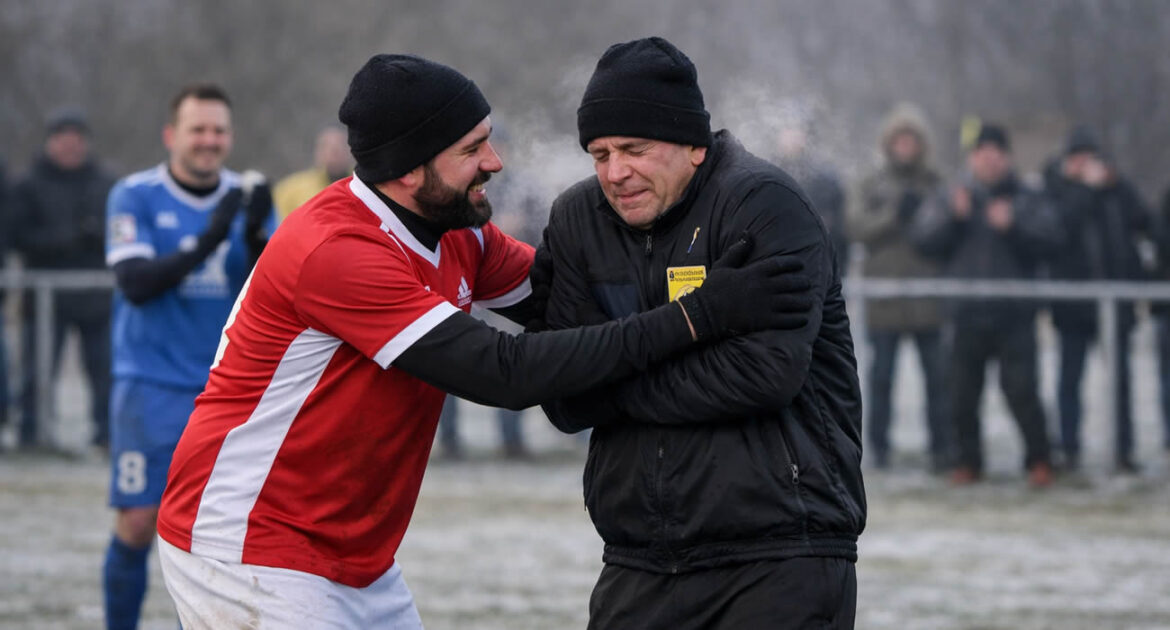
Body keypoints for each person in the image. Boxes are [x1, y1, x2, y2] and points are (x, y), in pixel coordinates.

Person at [153, 54, 812, 628]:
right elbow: (506, 373)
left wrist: (703, 287)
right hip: (249, 544)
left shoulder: (459, 232)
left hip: (353, 555)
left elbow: (569, 314)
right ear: (410, 171)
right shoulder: (336, 250)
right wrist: (698, 316)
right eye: (472, 149)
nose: (493, 162)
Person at [534, 37, 863, 629]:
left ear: (692, 144)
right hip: (637, 558)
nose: (616, 172)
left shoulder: (764, 204)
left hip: (781, 552)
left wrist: (607, 375)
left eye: (634, 149)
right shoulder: (576, 220)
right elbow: (562, 396)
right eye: (600, 153)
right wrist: (612, 369)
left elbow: (764, 375)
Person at [101, 83, 274, 630]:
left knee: (214, 533)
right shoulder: (134, 195)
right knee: (137, 520)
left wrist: (255, 237)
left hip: (224, 391)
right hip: (149, 384)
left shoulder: (245, 197)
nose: (209, 141)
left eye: (218, 130)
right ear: (171, 135)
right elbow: (135, 282)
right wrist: (210, 237)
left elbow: (269, 289)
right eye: (197, 129)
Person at [913, 123, 1060, 487]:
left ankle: (1039, 461)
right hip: (964, 313)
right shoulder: (952, 195)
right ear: (972, 158)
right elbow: (921, 239)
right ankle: (967, 463)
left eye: (997, 154)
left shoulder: (1026, 197)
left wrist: (1014, 225)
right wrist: (953, 217)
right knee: (961, 397)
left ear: (1007, 158)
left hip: (1013, 313)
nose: (990, 161)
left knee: (1023, 392)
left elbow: (1054, 239)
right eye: (983, 154)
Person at [846, 103, 949, 471]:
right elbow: (856, 226)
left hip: (928, 299)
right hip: (884, 301)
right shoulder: (870, 184)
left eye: (912, 140)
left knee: (938, 380)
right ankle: (878, 450)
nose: (905, 147)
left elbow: (949, 230)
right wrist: (894, 215)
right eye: (899, 140)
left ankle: (942, 449)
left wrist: (926, 219)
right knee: (882, 380)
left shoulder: (936, 183)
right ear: (889, 143)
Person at [1043, 126, 1152, 474]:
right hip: (1074, 307)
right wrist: (1085, 189)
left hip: (1115, 306)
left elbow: (1145, 223)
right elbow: (1059, 230)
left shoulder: (1116, 191)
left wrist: (1116, 184)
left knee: (1121, 384)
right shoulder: (1057, 191)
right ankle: (1069, 448)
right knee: (1069, 382)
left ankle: (1123, 450)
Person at [9, 108, 115, 449]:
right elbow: (17, 235)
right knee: (37, 371)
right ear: (51, 143)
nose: (71, 149)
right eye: (64, 141)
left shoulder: (105, 182)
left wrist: (92, 236)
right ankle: (32, 434)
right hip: (43, 296)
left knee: (103, 371)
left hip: (96, 296)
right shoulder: (28, 184)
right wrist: (68, 238)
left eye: (77, 142)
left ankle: (106, 434)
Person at [773, 122, 849, 274]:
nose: (792, 139)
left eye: (797, 132)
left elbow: (840, 232)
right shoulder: (766, 177)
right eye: (788, 131)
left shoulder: (825, 181)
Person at [272, 124, 352, 221]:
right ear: (317, 152)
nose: (336, 151)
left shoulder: (364, 187)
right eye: (327, 146)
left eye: (341, 144)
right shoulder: (291, 190)